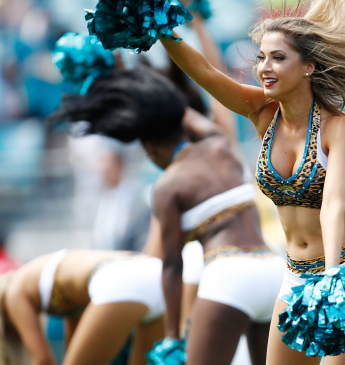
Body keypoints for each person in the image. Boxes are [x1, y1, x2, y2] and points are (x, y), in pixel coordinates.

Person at [157, 0, 345, 364]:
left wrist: (332, 276)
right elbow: (206, 74)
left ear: (308, 67)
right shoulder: (262, 113)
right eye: (261, 57)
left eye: (278, 58)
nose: (264, 67)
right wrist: (159, 25)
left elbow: (333, 207)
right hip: (295, 274)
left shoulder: (338, 127)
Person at [50, 66, 283, 365]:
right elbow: (180, 111)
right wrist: (146, 91)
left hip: (230, 272)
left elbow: (172, 266)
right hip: (272, 268)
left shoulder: (166, 187)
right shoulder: (218, 142)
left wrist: (172, 335)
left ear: (150, 148)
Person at [0, 249, 164, 365]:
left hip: (119, 279)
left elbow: (44, 361)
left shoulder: (14, 292)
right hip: (156, 274)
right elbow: (75, 345)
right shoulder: (51, 282)